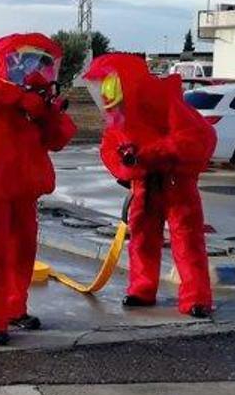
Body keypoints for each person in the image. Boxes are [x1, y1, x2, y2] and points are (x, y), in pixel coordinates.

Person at [0, 33, 76, 345]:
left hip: (22, 186)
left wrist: (49, 112)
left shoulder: (34, 101)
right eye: (31, 64)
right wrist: (23, 99)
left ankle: (12, 308)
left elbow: (57, 140)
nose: (38, 72)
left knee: (22, 251)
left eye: (43, 66)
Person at [81, 53, 217, 318]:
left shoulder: (166, 103)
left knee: (187, 239)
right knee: (142, 238)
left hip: (177, 182)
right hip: (144, 183)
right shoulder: (120, 116)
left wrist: (150, 153)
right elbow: (109, 149)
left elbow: (199, 138)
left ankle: (196, 298)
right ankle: (142, 289)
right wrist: (126, 165)